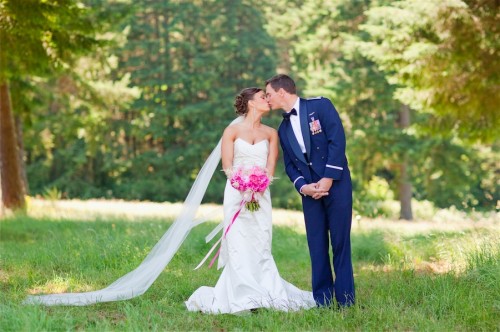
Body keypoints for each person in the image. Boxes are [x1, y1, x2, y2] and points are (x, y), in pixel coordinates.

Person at [185, 87, 316, 314]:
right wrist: (241, 184)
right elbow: (227, 164)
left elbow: (271, 165)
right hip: (236, 193)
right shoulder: (232, 131)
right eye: (263, 97)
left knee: (260, 241)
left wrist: (259, 186)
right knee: (238, 243)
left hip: (261, 194)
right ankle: (241, 294)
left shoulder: (271, 133)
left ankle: (265, 291)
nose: (267, 99)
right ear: (251, 103)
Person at [265, 74, 355, 308]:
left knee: (340, 243)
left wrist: (328, 179)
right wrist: (303, 186)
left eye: (269, 94)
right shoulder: (282, 129)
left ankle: (346, 301)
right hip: (310, 193)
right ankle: (323, 301)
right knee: (317, 246)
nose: (267, 99)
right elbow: (290, 166)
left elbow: (338, 141)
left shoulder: (321, 106)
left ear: (282, 92)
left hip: (336, 185)